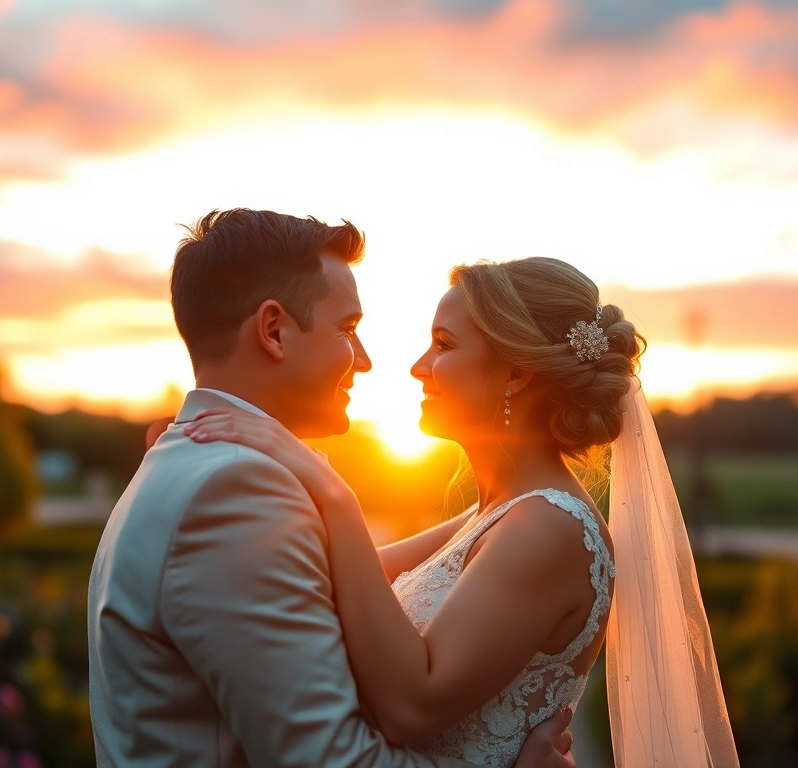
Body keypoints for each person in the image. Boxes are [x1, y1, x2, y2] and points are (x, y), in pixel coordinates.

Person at [187, 257, 740, 766]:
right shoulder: (498, 515)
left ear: (518, 373)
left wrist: (333, 493)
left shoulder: (550, 529)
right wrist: (219, 475)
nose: (417, 367)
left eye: (444, 345)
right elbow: (332, 579)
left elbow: (412, 707)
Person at [87, 210, 576, 768]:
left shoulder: (189, 462)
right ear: (273, 330)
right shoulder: (236, 490)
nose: (366, 361)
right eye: (347, 330)